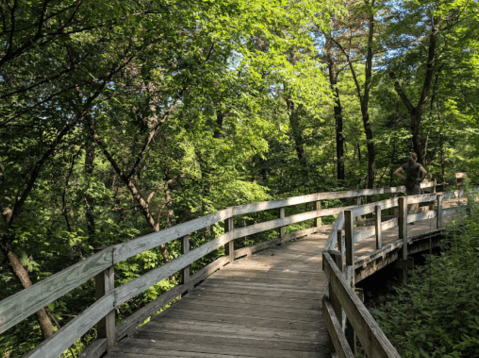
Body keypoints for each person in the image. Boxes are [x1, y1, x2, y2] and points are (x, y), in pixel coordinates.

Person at [394, 153, 427, 221]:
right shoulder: (418, 165)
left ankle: (407, 215)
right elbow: (425, 172)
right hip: (415, 183)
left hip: (407, 184)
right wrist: (421, 178)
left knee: (409, 199)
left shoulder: (405, 165)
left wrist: (404, 177)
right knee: (417, 199)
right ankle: (411, 213)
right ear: (416, 158)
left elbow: (396, 172)